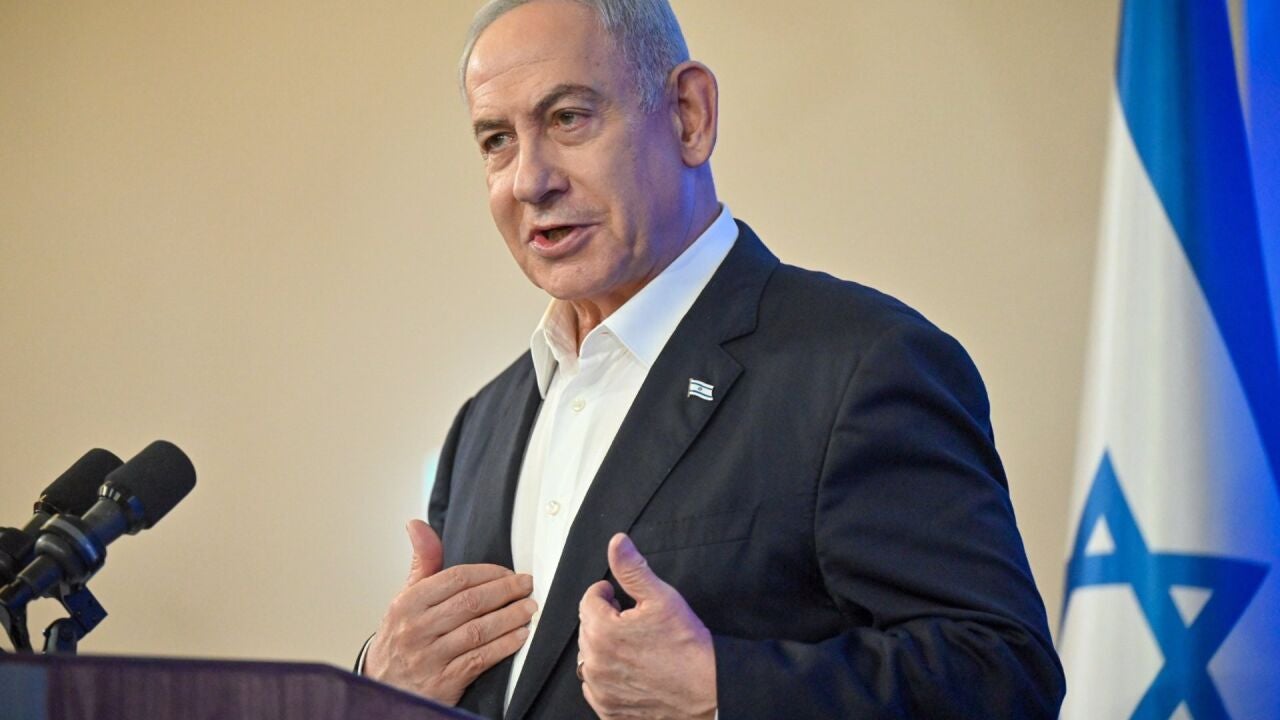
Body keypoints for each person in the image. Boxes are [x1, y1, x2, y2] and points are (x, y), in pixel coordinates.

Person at [360, 1, 1066, 718]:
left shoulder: (861, 366)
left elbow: (1003, 676)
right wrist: (381, 681)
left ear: (689, 116)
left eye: (568, 118)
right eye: (497, 140)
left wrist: (722, 689)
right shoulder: (481, 424)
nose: (528, 180)